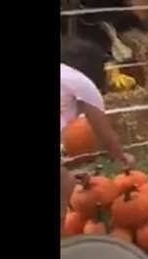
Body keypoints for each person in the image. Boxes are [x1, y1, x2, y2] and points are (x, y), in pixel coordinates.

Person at [60, 37, 135, 226]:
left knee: (66, 180)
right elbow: (103, 132)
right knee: (64, 187)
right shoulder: (83, 83)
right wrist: (121, 156)